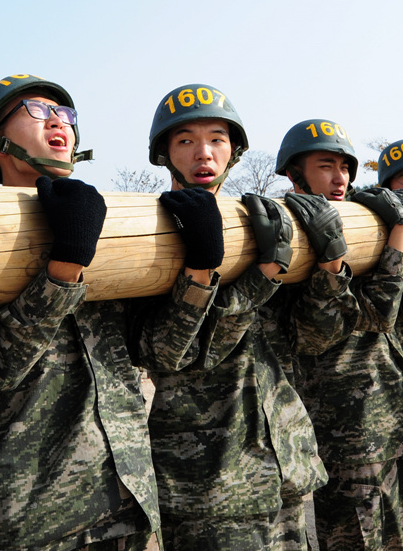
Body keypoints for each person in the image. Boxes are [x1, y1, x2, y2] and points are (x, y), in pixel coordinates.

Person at [0, 74, 168, 551]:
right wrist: (63, 268)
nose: (58, 123)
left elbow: (160, 351)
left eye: (65, 115)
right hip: (34, 518)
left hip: (127, 500)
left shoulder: (105, 220)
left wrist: (200, 276)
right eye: (36, 112)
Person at [140, 84, 329, 550]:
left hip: (284, 466)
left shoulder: (259, 219)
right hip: (210, 484)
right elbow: (169, 354)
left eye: (217, 139)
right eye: (185, 140)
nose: (203, 152)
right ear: (164, 153)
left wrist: (332, 266)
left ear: (234, 150)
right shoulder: (145, 230)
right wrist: (261, 275)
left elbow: (316, 337)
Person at [280, 124, 403, 551]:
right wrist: (395, 236)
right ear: (294, 173)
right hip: (350, 436)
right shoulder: (289, 229)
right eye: (326, 167)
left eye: (345, 168)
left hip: (402, 418)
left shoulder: (363, 218)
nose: (340, 179)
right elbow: (374, 317)